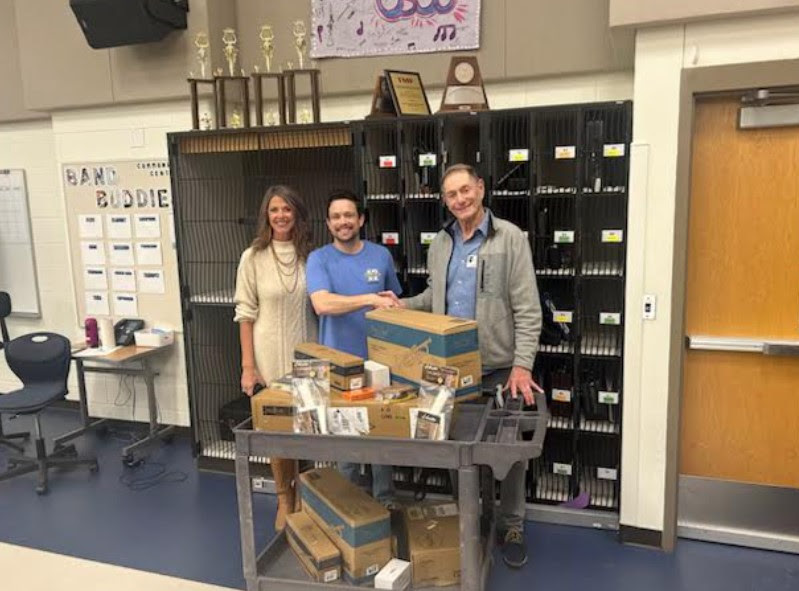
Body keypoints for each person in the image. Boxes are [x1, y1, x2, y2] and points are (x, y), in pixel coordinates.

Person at [401, 163, 543, 568]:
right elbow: (434, 295)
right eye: (451, 195)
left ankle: (512, 523)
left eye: (465, 190)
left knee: (509, 452)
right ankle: (470, 517)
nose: (460, 200)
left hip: (500, 367)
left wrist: (522, 366)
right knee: (456, 450)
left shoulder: (509, 239)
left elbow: (528, 308)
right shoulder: (441, 243)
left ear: (480, 188)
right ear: (445, 200)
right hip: (451, 368)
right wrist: (400, 304)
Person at [306, 190, 402, 502]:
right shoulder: (318, 259)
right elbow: (322, 304)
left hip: (380, 364)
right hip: (339, 367)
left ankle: (384, 503)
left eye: (349, 215)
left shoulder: (380, 256)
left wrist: (387, 304)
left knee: (381, 437)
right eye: (336, 217)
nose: (343, 222)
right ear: (328, 223)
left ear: (360, 219)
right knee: (345, 444)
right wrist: (369, 299)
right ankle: (346, 509)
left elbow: (394, 301)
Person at [234, 185, 317, 531]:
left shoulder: (312, 256)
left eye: (287, 209)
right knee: (276, 431)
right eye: (274, 210)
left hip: (307, 356)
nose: (281, 215)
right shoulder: (252, 257)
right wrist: (248, 367)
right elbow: (245, 313)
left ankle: (309, 497)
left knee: (310, 429)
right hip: (268, 359)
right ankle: (285, 498)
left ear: (296, 213)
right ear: (266, 216)